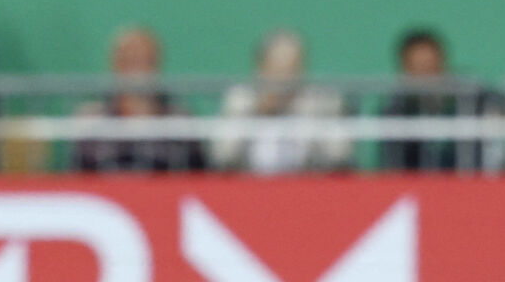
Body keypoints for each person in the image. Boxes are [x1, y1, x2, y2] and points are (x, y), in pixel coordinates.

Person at [209, 29, 352, 174]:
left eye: (292, 70)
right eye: (277, 70)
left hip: (307, 186)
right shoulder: (240, 100)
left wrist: (307, 117)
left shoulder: (321, 101)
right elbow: (222, 155)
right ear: (261, 68)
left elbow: (340, 155)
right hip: (248, 186)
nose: (284, 79)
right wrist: (256, 111)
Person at [71, 25, 205, 172]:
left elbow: (200, 174)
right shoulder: (91, 119)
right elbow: (79, 173)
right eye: (129, 60)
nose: (137, 70)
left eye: (145, 60)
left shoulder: (179, 118)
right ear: (115, 64)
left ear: (157, 65)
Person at [377, 28, 505, 172]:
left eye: (431, 66)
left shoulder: (474, 97)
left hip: (473, 184)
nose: (426, 76)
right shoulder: (395, 111)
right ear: (404, 70)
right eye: (418, 69)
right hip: (417, 188)